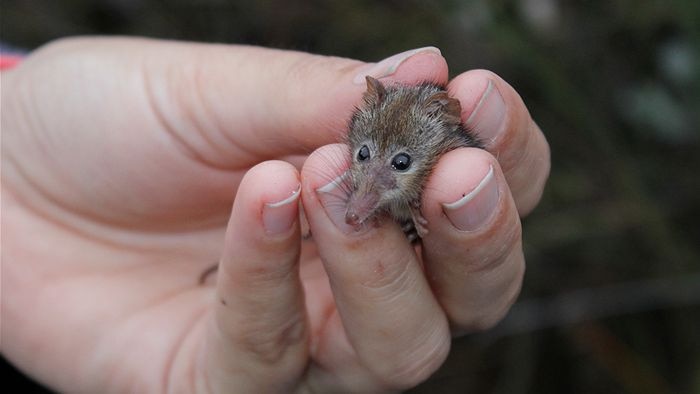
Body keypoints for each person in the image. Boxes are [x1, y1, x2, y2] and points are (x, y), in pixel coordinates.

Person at [1, 37, 550, 392]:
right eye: (363, 156)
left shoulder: (450, 152)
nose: (366, 183)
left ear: (444, 136)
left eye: (399, 164)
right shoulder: (378, 119)